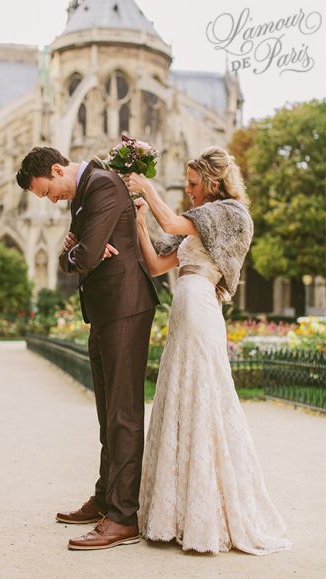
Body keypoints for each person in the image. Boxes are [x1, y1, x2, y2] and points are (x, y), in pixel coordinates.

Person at [124, 146, 292, 555]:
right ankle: (175, 514)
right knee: (180, 397)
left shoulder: (230, 214)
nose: (189, 189)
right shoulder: (198, 222)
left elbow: (172, 220)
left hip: (200, 308)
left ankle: (205, 516)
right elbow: (155, 265)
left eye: (194, 184)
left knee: (202, 397)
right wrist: (140, 224)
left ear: (213, 183)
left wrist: (146, 185)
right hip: (185, 309)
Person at [16, 147, 159, 550]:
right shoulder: (87, 192)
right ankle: (104, 498)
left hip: (125, 308)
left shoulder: (101, 186)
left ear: (58, 169)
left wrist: (77, 251)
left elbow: (86, 253)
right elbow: (78, 255)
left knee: (124, 414)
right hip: (107, 310)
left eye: (48, 192)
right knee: (107, 413)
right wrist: (76, 253)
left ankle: (122, 516)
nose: (51, 201)